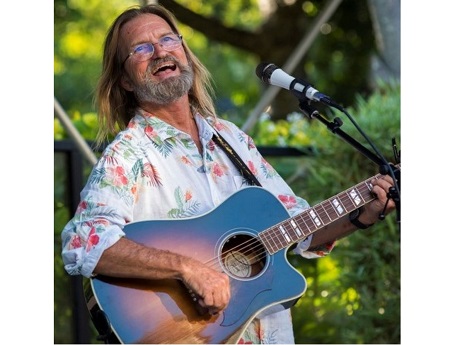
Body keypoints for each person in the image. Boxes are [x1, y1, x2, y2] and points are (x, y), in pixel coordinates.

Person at [61, 3, 396, 344]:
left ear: (185, 53)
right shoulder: (129, 152)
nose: (160, 51)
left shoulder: (232, 138)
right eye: (142, 48)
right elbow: (83, 242)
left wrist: (361, 214)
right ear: (125, 80)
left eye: (168, 39)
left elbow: (299, 224)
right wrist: (187, 268)